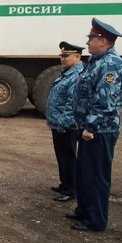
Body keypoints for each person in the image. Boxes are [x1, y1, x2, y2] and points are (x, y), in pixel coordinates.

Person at [68, 18, 122, 231]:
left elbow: (107, 100)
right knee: (84, 173)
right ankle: (84, 210)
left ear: (102, 40)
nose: (87, 42)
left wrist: (91, 127)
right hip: (88, 128)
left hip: (100, 130)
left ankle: (96, 220)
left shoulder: (111, 63)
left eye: (91, 38)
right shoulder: (96, 61)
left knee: (96, 176)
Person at [45, 42, 84, 202]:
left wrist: (62, 123)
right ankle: (64, 184)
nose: (62, 59)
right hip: (59, 124)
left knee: (68, 157)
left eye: (66, 56)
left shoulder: (76, 76)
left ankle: (70, 189)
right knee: (62, 156)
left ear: (77, 57)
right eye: (61, 56)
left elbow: (72, 105)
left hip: (66, 126)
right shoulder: (67, 73)